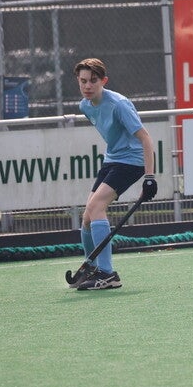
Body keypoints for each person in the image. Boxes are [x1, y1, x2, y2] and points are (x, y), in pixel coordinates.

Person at [72, 58, 157, 290]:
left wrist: (149, 177)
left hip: (132, 161)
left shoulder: (119, 104)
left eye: (93, 80)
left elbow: (145, 138)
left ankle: (107, 274)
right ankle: (91, 267)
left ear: (104, 81)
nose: (87, 86)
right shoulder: (85, 106)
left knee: (97, 206)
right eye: (83, 81)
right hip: (112, 159)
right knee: (87, 216)